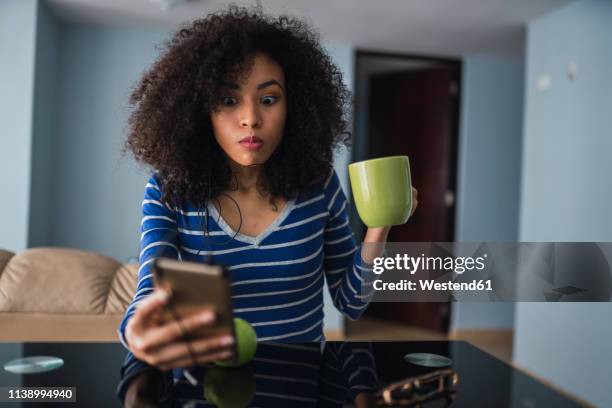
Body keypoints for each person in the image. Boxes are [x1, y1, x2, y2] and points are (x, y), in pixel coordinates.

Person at [119, 5, 417, 375]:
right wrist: (138, 331)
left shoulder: (319, 186)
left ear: (295, 107)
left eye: (269, 98)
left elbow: (352, 303)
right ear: (200, 110)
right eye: (229, 100)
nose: (251, 118)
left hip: (301, 384)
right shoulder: (169, 190)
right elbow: (148, 290)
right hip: (207, 387)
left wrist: (380, 226)